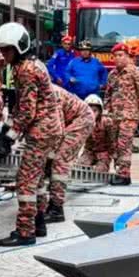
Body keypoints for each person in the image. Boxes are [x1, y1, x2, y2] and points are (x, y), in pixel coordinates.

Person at [0, 22, 65, 246]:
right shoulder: (32, 65)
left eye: (7, 49)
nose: (2, 54)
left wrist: (8, 137)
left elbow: (27, 110)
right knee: (38, 179)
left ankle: (26, 232)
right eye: (1, 49)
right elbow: (21, 107)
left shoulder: (25, 70)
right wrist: (9, 128)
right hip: (49, 128)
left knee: (25, 181)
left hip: (41, 131)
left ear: (19, 48)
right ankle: (39, 222)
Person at [41, 90, 95, 224]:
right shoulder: (36, 92)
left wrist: (51, 155)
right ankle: (50, 204)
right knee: (52, 158)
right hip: (71, 121)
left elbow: (57, 130)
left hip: (82, 120)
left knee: (60, 161)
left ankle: (56, 209)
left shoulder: (51, 94)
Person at [104, 43, 139, 186]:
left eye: (120, 55)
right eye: (115, 56)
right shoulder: (112, 74)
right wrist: (105, 113)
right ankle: (119, 171)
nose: (117, 58)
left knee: (124, 144)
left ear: (128, 56)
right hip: (114, 116)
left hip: (129, 115)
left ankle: (124, 174)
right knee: (114, 145)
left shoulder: (135, 71)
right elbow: (108, 95)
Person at [79, 94, 114, 172]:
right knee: (80, 168)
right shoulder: (82, 122)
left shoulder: (106, 122)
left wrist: (113, 156)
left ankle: (103, 164)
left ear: (100, 111)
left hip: (103, 152)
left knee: (99, 172)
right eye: (90, 111)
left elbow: (113, 140)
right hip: (89, 152)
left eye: (95, 111)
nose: (92, 113)